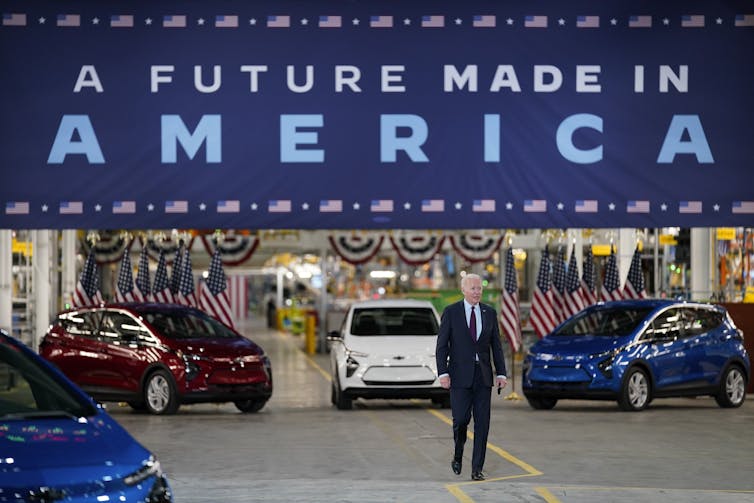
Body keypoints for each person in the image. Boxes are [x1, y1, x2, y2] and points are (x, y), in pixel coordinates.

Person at [436, 273, 507, 481]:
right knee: (460, 420)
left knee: (482, 424)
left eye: (479, 288)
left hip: (483, 376)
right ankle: (458, 454)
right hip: (458, 376)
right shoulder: (451, 313)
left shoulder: (489, 313)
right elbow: (442, 346)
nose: (477, 292)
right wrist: (443, 373)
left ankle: (477, 468)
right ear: (464, 290)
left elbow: (496, 346)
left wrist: (501, 372)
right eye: (473, 288)